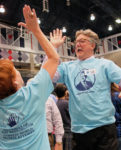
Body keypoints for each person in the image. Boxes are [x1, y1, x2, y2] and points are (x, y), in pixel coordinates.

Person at [43, 28, 121, 150]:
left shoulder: (104, 65)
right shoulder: (68, 67)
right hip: (79, 132)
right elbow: (46, 75)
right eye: (76, 42)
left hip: (104, 129)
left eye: (82, 41)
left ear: (92, 45)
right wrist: (52, 48)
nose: (77, 44)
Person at [0, 5, 59, 150]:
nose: (19, 72)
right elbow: (53, 58)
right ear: (15, 82)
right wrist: (36, 30)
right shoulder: (32, 95)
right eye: (16, 70)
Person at [55, 83, 73, 150]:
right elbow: (72, 115)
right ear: (65, 92)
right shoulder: (66, 103)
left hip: (60, 131)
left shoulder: (56, 103)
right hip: (68, 131)